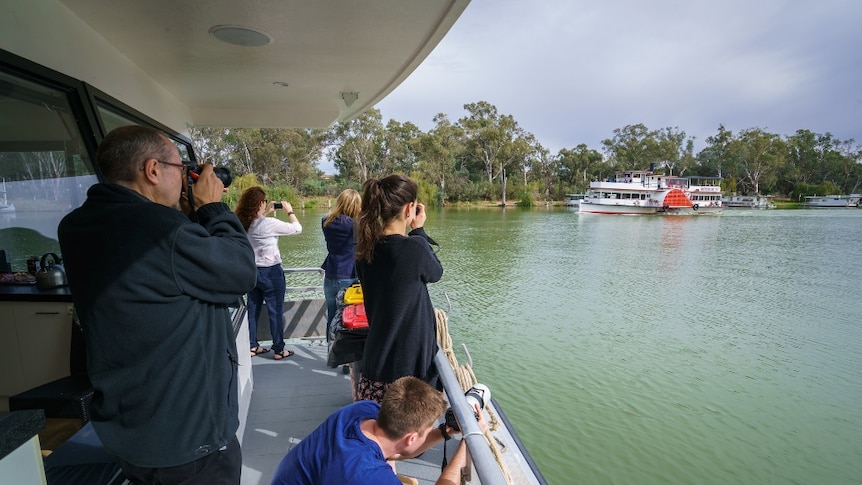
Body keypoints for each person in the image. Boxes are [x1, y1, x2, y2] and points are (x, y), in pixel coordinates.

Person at [58, 125, 257, 484]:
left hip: (131, 430)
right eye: (180, 169)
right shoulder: (163, 232)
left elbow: (161, 281)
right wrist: (212, 206)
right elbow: (240, 272)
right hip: (189, 440)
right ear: (152, 170)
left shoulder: (76, 226)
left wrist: (182, 213)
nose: (185, 179)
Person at [270, 376, 481, 485]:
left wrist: (444, 432)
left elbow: (399, 448)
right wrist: (469, 441)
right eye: (427, 431)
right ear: (411, 438)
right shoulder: (367, 475)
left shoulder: (363, 410)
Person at [354, 174, 443, 402]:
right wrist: (419, 230)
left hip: (375, 366)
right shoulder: (413, 249)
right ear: (409, 209)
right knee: (409, 436)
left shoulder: (365, 251)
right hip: (409, 373)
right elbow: (436, 272)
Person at [235, 186, 302, 360]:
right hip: (271, 273)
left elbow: (257, 224)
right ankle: (279, 350)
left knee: (253, 309)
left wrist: (266, 212)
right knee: (275, 311)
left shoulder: (242, 222)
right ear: (260, 203)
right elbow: (297, 229)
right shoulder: (269, 224)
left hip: (252, 272)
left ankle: (252, 346)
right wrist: (290, 211)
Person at [320, 188, 362, 338]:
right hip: (349, 276)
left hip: (330, 275)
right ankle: (346, 357)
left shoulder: (326, 222)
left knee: (332, 315)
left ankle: (331, 352)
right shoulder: (355, 225)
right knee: (348, 317)